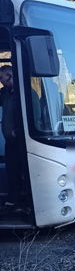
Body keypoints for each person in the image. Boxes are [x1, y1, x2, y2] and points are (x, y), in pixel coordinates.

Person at [0, 65, 27, 209]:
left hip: (22, 141)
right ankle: (14, 200)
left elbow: (33, 116)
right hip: (10, 140)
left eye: (1, 78)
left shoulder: (25, 94)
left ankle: (26, 202)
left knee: (23, 171)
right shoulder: (5, 94)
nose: (1, 81)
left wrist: (18, 131)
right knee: (11, 170)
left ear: (10, 76)